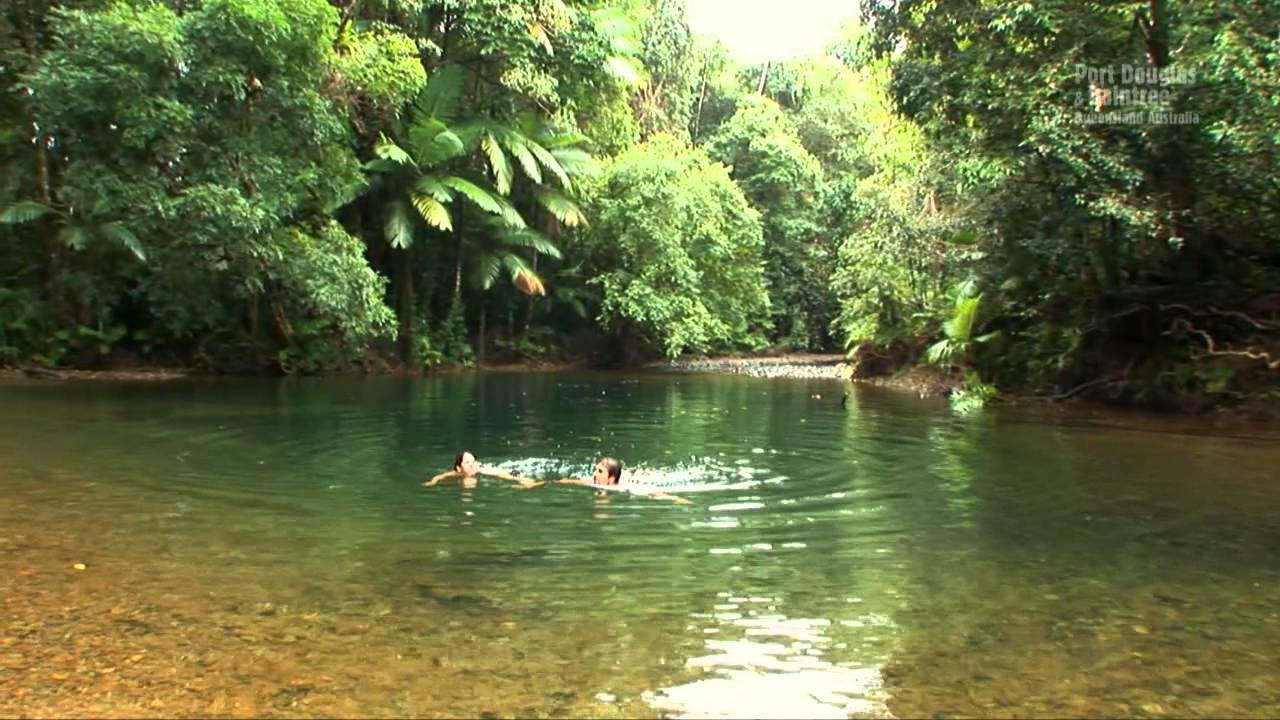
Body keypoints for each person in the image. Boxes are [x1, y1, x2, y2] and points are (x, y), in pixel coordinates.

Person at [558, 457, 691, 504]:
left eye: (599, 471)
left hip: (639, 481)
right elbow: (566, 481)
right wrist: (541, 482)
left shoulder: (625, 486)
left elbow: (652, 492)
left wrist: (674, 498)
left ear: (610, 479)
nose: (594, 474)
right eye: (595, 469)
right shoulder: (592, 480)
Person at [425, 451, 542, 488]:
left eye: (472, 462)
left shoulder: (481, 470)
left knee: (505, 473)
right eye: (467, 463)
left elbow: (502, 474)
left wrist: (521, 480)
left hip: (498, 470)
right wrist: (433, 481)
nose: (471, 465)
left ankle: (528, 481)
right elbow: (441, 476)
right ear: (459, 468)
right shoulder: (456, 472)